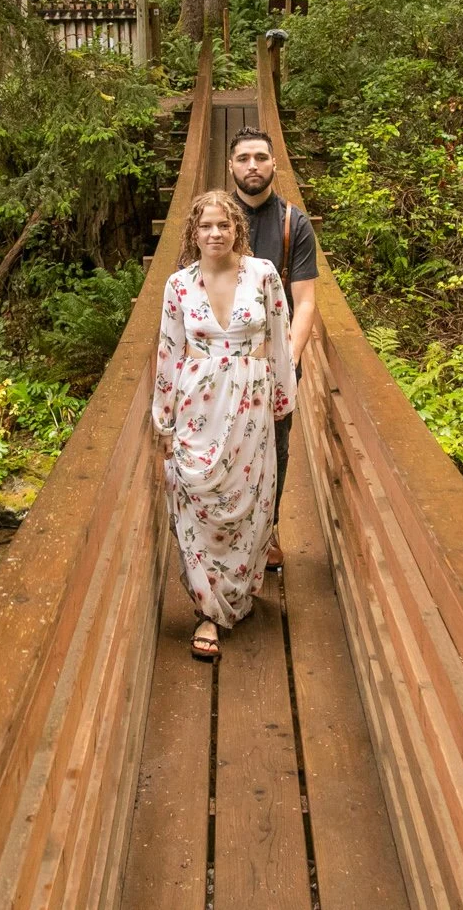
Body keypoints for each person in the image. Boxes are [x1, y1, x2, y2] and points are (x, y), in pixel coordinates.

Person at [151, 190, 296, 661]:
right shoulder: (178, 285)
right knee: (198, 499)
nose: (215, 233)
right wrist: (164, 421)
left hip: (252, 403)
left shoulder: (263, 275)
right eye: (206, 226)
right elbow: (168, 352)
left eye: (223, 225)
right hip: (198, 404)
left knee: (249, 502)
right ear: (193, 234)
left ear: (237, 229)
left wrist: (282, 401)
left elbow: (279, 339)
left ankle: (236, 591)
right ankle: (207, 610)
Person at [225, 127, 319, 570]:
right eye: (244, 158)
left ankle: (268, 529)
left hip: (274, 362)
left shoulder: (292, 224)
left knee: (275, 450)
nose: (253, 166)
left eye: (261, 158)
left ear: (274, 164)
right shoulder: (215, 220)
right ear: (230, 166)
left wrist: (289, 362)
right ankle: (229, 531)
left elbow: (306, 302)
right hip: (223, 364)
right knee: (225, 447)